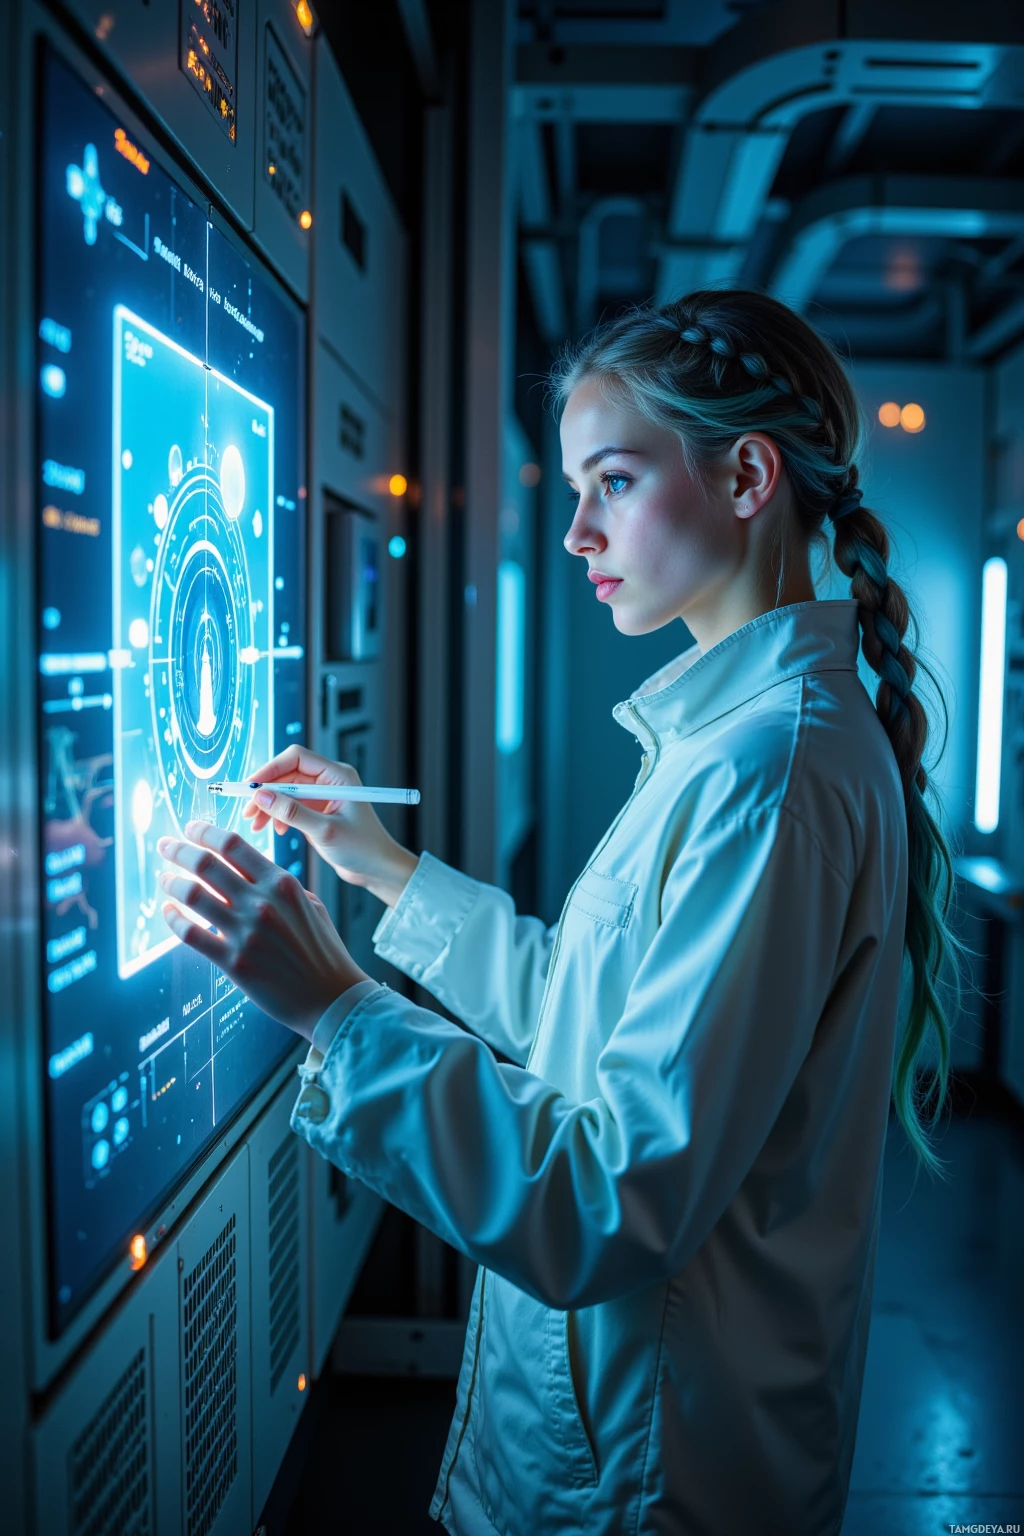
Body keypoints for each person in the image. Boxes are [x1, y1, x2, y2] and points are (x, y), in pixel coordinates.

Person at [157, 289, 970, 1536]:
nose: (578, 533)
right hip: (630, 1452)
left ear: (747, 475)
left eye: (613, 481)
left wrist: (340, 1010)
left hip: (643, 1486)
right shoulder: (734, 746)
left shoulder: (772, 774)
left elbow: (614, 1195)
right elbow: (594, 1020)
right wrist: (386, 871)